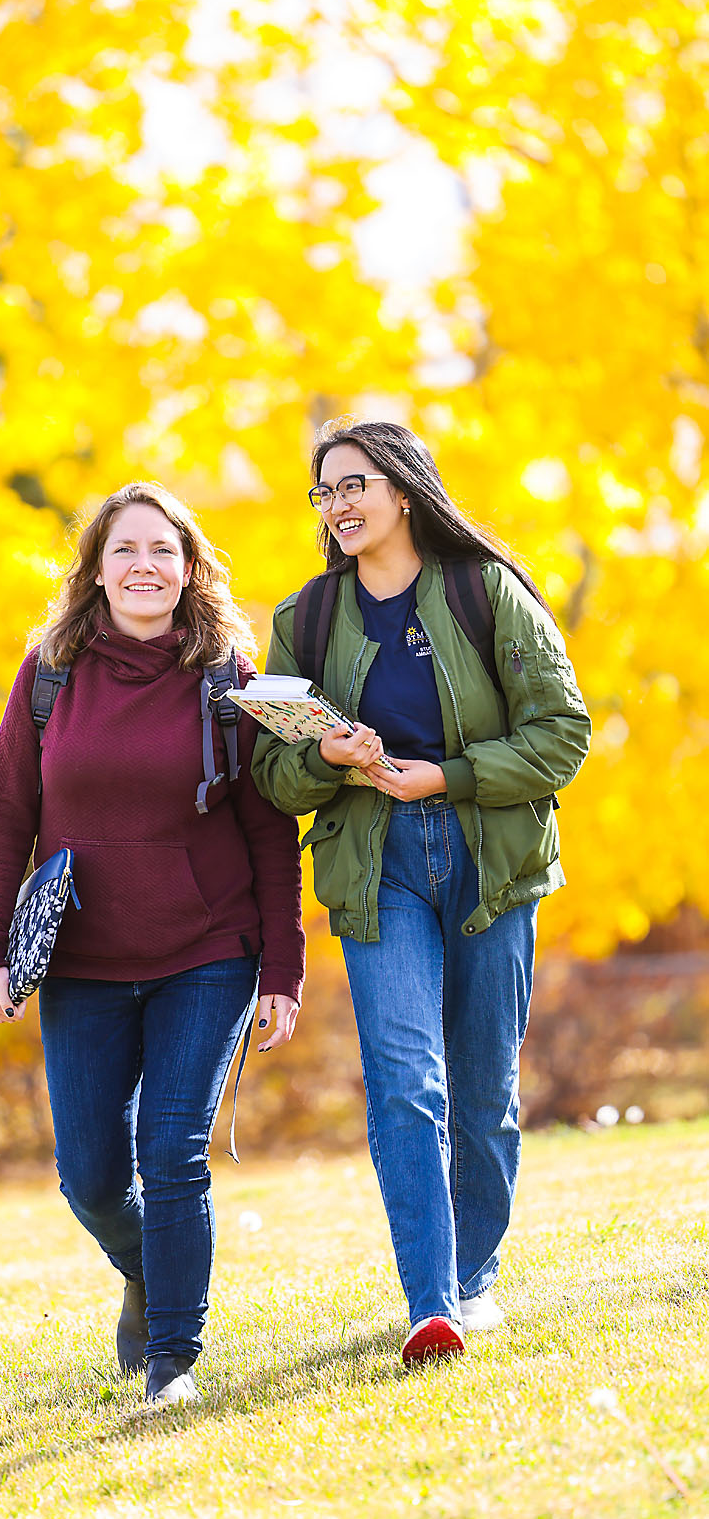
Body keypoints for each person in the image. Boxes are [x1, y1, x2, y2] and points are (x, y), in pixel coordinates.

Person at [252, 419, 590, 1366]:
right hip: (376, 866)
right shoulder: (305, 622)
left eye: (353, 484)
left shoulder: (487, 593)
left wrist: (445, 778)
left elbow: (563, 734)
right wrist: (323, 756)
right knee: (407, 1085)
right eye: (323, 492)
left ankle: (473, 1279)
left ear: (403, 490)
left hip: (493, 862)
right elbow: (272, 784)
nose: (338, 505)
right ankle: (430, 1303)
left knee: (482, 1088)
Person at [0, 481, 304, 1405]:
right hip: (80, 962)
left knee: (172, 1149)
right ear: (97, 569)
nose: (144, 566)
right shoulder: (49, 675)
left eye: (163, 550)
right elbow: (4, 819)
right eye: (124, 550)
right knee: (89, 1177)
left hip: (207, 950)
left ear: (189, 567)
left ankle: (172, 1363)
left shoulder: (231, 680)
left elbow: (270, 832)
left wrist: (282, 967)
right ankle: (149, 1270)